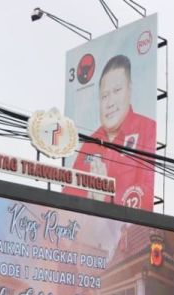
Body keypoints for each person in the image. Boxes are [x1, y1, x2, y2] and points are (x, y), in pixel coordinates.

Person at [66, 54, 159, 210]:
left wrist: (107, 198)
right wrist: (91, 198)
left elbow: (146, 197)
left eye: (117, 90)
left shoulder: (147, 129)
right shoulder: (90, 143)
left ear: (129, 89)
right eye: (104, 96)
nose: (109, 103)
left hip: (129, 232)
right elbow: (68, 198)